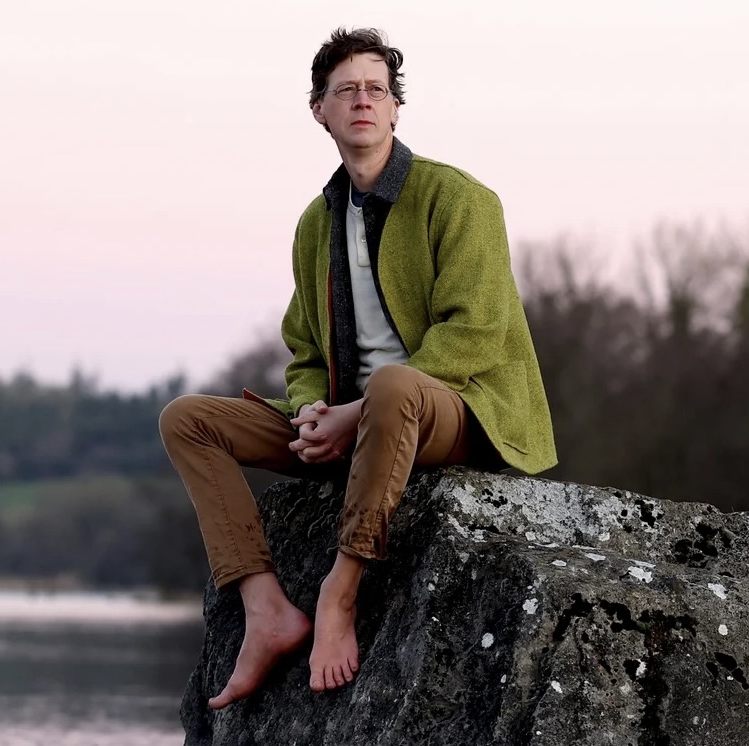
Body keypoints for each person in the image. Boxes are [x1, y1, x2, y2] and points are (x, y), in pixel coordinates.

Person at [157, 27, 556, 708]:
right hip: (351, 420)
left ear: (396, 108)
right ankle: (266, 611)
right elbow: (305, 351)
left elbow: (478, 333)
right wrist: (315, 410)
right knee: (188, 419)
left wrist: (360, 410)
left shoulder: (459, 199)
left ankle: (338, 595)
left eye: (376, 89)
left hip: (449, 410)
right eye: (346, 91)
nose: (363, 101)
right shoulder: (316, 223)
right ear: (320, 110)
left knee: (394, 385)